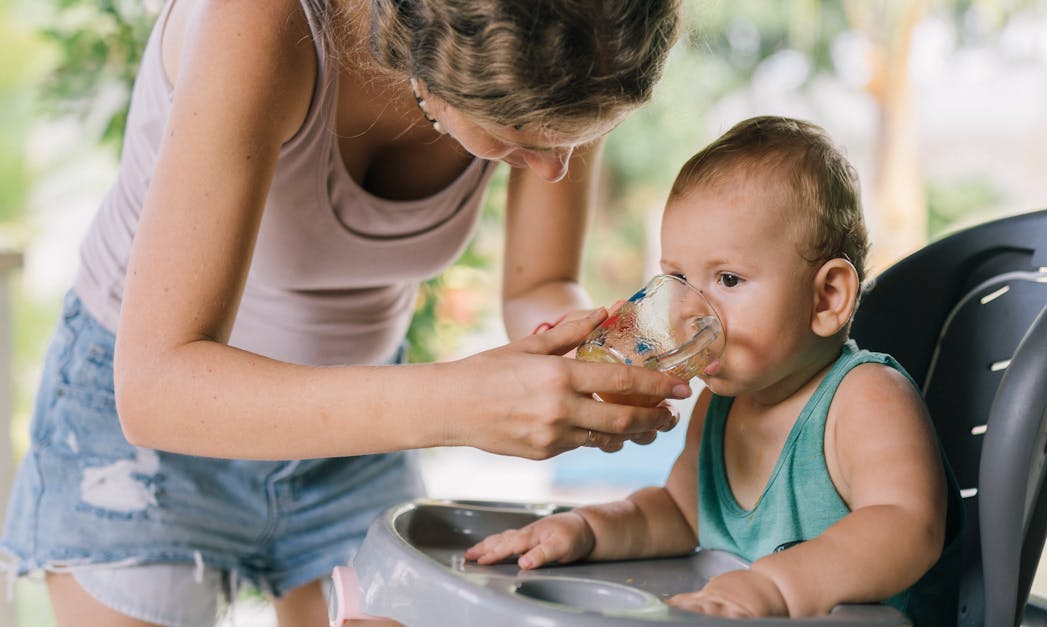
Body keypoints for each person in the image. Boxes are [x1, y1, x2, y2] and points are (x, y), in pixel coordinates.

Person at [0, 0, 686, 625]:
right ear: (432, 54)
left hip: (355, 435)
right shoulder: (261, 23)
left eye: (571, 137)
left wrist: (589, 351)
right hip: (149, 443)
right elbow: (153, 386)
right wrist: (463, 404)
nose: (550, 169)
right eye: (517, 137)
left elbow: (541, 281)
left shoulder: (571, 38)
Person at [465, 116, 962, 624]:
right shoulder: (719, 404)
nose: (685, 306)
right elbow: (679, 515)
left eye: (727, 278)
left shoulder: (865, 398)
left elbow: (907, 527)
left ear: (826, 297)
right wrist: (587, 530)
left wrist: (773, 586)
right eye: (677, 277)